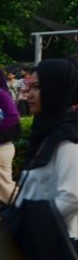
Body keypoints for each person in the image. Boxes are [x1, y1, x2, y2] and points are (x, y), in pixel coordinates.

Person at [17, 59, 78, 258]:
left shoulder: (70, 139)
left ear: (55, 88)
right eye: (29, 86)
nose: (29, 94)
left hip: (73, 240)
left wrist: (30, 221)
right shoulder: (48, 130)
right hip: (54, 235)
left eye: (37, 87)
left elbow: (73, 198)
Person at [0, 70, 21, 204]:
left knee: (6, 188)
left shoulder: (1, 94)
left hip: (2, 148)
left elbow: (14, 117)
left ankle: (25, 209)